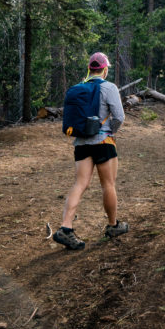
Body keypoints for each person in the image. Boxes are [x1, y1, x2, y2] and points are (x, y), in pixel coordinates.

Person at [53, 52, 128, 249]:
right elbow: (119, 116)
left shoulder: (78, 88)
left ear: (89, 69)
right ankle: (113, 225)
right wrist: (110, 130)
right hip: (103, 142)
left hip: (81, 143)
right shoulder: (109, 87)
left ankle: (65, 228)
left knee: (80, 184)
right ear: (104, 69)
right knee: (108, 185)